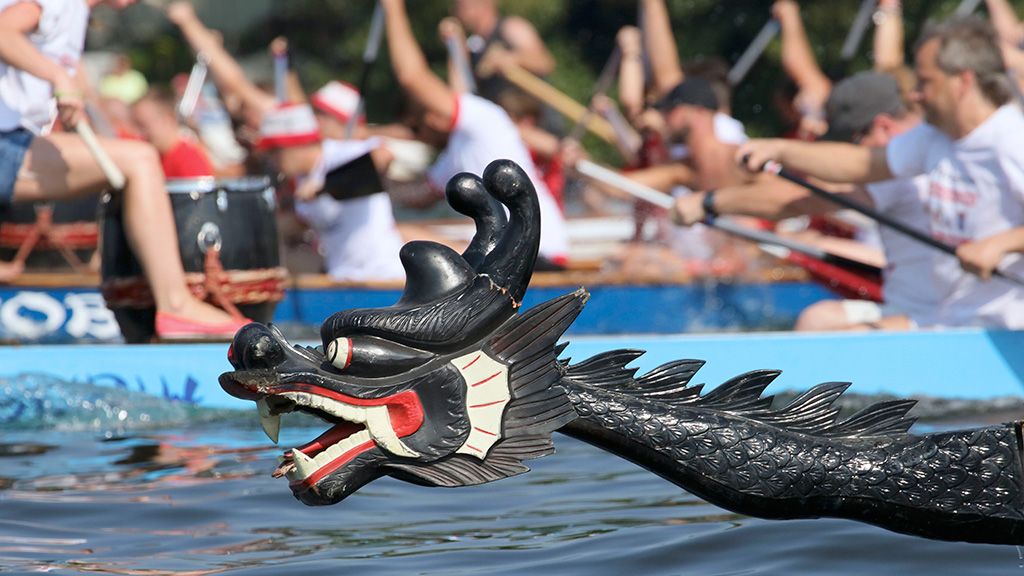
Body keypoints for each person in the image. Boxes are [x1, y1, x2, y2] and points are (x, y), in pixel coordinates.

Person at [738, 16, 1024, 329]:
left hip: (1010, 332)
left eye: (925, 82)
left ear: (963, 82)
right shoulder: (934, 138)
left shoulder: (1012, 141)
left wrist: (1001, 244)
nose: (914, 95)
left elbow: (806, 199)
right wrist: (782, 150)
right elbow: (859, 164)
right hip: (957, 326)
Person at [0, 0, 247, 337]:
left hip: (14, 141)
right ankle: (176, 306)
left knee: (130, 162)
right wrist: (57, 76)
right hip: (7, 143)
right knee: (140, 160)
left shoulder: (75, 13)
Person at [674, 72, 938, 331]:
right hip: (911, 305)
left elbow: (797, 201)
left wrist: (708, 202)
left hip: (934, 316)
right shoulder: (922, 146)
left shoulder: (898, 164)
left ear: (883, 128)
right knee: (818, 320)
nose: (850, 158)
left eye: (852, 144)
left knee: (818, 325)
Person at [381, 0, 570, 269]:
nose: (423, 130)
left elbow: (412, 78)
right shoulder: (456, 151)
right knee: (401, 236)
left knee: (409, 241)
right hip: (510, 255)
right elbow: (418, 197)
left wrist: (394, 10)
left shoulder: (484, 118)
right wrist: (375, 186)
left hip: (538, 255)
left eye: (420, 123)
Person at [258, 102, 405, 282]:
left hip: (382, 276)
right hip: (342, 278)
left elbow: (384, 155)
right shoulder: (301, 180)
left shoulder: (337, 154)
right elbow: (297, 223)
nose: (272, 162)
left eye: (274, 152)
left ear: (296, 145)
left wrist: (324, 185)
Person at [131, 87, 215, 179]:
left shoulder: (188, 159)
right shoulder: (158, 157)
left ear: (168, 118)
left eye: (143, 125)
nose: (137, 134)